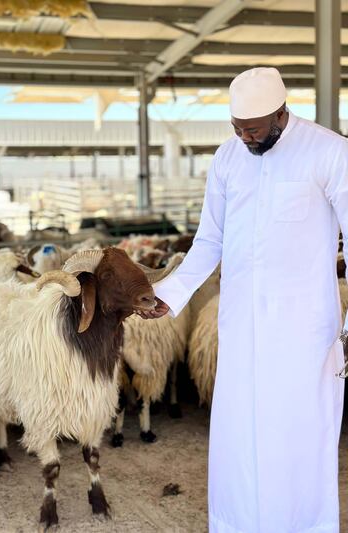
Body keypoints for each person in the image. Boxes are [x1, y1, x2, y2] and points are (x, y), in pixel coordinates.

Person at [140, 67, 347, 533]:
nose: (245, 136)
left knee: (298, 438)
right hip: (240, 327)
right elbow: (209, 241)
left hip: (303, 330)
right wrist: (169, 296)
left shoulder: (330, 151)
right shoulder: (228, 158)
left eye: (253, 128)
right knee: (239, 438)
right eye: (236, 127)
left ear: (280, 113)